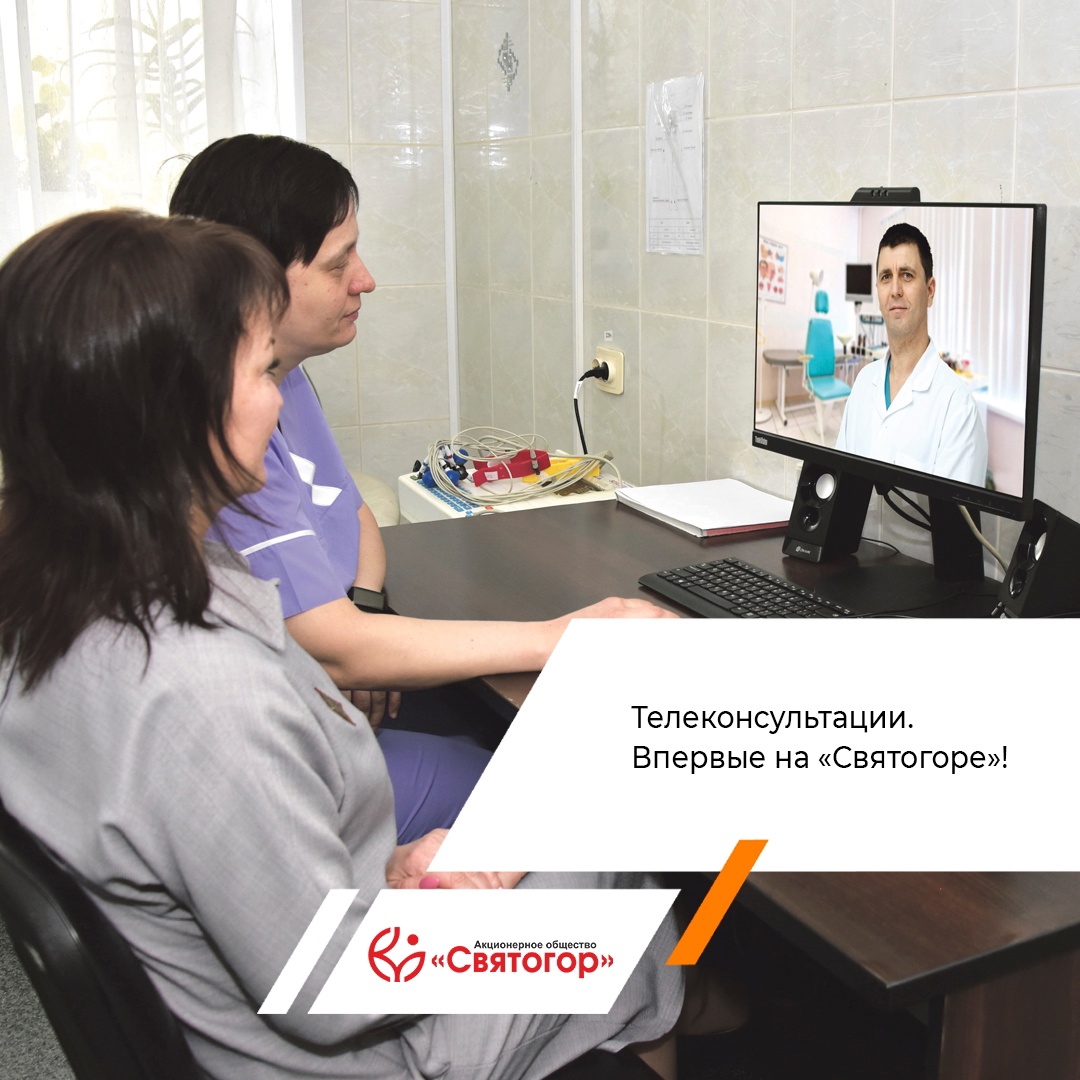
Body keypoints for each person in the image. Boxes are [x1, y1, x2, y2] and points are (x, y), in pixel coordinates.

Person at [0, 210, 700, 1080]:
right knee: (615, 859)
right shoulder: (200, 695)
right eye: (265, 369)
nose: (278, 400)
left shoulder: (55, 594)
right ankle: (695, 1007)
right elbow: (333, 989)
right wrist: (469, 889)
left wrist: (403, 872)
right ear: (177, 413)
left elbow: (242, 862)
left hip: (273, 981)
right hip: (375, 1047)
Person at [169, 135, 675, 842]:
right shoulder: (226, 427)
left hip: (326, 693)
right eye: (339, 262)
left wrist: (363, 613)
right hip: (293, 745)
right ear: (249, 280)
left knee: (536, 729)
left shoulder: (284, 381)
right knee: (573, 780)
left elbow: (353, 515)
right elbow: (330, 647)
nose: (365, 280)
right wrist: (561, 638)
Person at [834, 222, 987, 486]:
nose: (895, 290)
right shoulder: (863, 383)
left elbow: (952, 513)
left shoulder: (957, 408)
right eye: (886, 277)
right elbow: (838, 479)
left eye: (906, 275)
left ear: (930, 291)